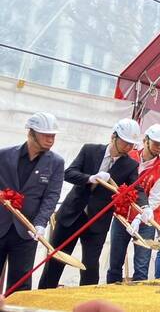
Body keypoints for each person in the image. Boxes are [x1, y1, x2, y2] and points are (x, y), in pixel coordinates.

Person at [39, 118, 143, 288]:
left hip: (98, 221)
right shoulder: (90, 150)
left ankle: (87, 302)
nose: (128, 147)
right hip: (71, 214)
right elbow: (69, 173)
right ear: (113, 136)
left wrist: (144, 207)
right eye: (125, 142)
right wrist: (90, 178)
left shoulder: (130, 165)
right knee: (56, 260)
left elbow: (136, 189)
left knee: (90, 266)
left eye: (131, 144)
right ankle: (41, 297)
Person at [0, 113, 64, 291]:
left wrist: (40, 223)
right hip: (1, 223)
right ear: (31, 133)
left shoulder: (56, 163)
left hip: (27, 232)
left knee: (20, 283)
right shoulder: (4, 155)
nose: (51, 139)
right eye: (46, 135)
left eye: (53, 135)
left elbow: (51, 196)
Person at [106, 124, 160, 283]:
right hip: (121, 217)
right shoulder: (129, 156)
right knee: (115, 263)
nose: (159, 148)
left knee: (141, 266)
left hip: (145, 221)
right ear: (145, 140)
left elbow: (155, 199)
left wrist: (139, 218)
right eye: (156, 143)